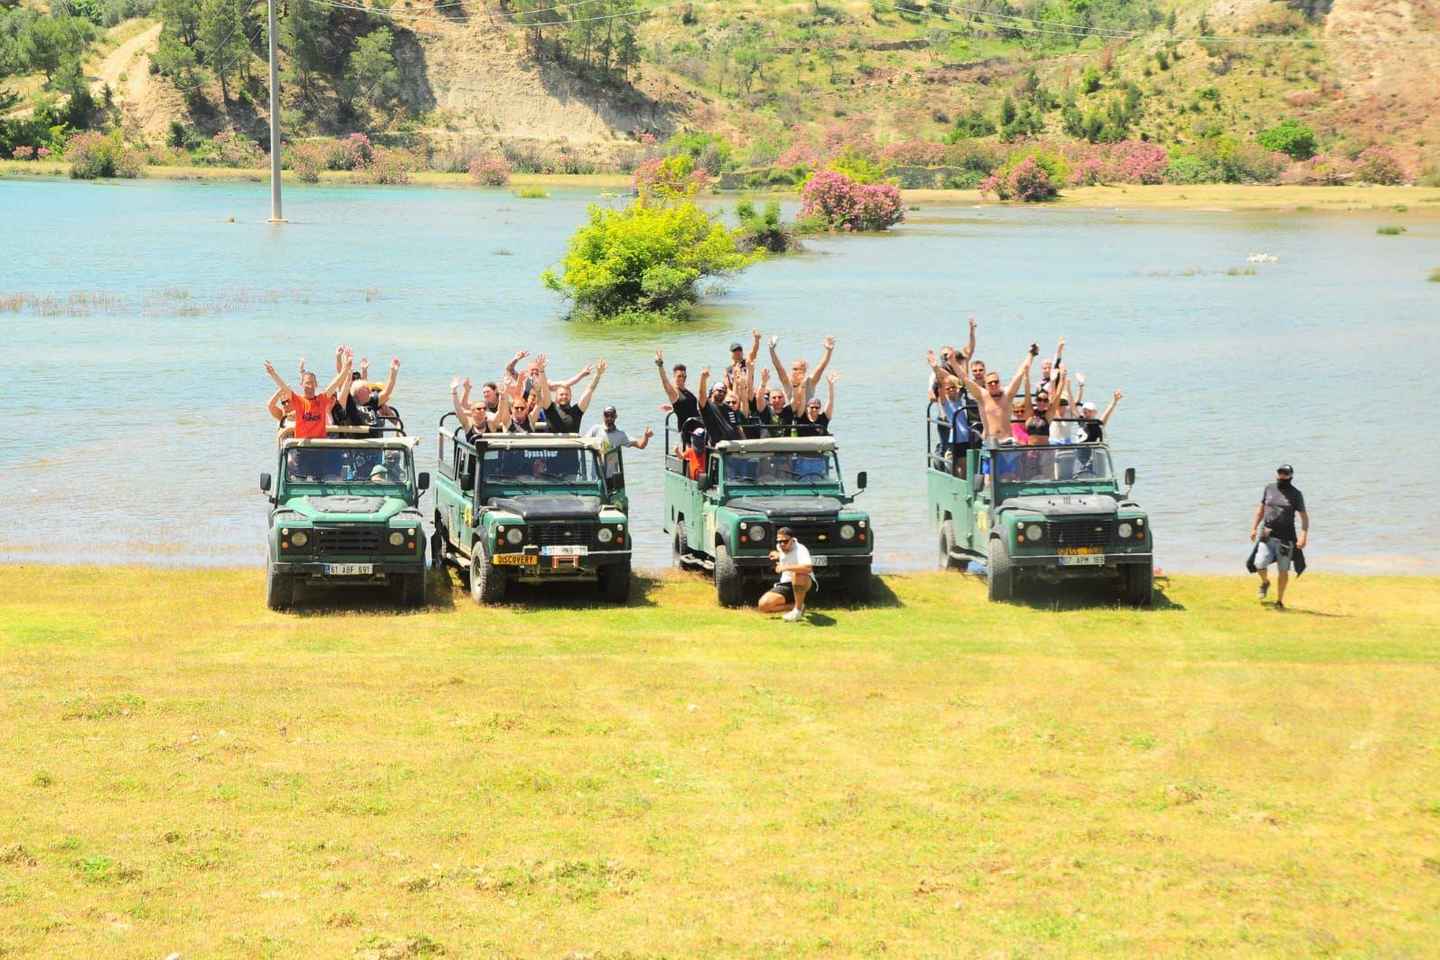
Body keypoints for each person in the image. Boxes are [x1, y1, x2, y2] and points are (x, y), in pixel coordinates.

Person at [1248, 464, 1309, 609]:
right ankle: (1265, 582)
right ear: (1276, 474)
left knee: (1283, 570)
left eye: (1286, 473)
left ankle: (1279, 601)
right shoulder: (1269, 488)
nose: (1282, 475)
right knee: (1259, 563)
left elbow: (1304, 517)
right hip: (1267, 535)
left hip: (1286, 539)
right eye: (1280, 473)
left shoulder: (1296, 494)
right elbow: (1261, 510)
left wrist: (1303, 536)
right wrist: (1254, 528)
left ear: (1291, 476)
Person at [264, 350, 352, 440]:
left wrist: (347, 366)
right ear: (301, 385)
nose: (310, 386)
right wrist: (273, 373)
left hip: (319, 445)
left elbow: (337, 383)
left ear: (316, 384)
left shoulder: (322, 399)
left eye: (312, 383)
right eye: (307, 383)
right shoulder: (298, 400)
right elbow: (283, 387)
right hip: (301, 446)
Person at [535, 356, 605, 434]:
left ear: (571, 396)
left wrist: (598, 375)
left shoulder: (577, 411)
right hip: (553, 445)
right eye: (561, 394)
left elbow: (590, 389)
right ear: (556, 396)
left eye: (566, 394)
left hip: (572, 445)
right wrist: (541, 371)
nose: (564, 397)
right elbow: (545, 389)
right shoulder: (550, 408)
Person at [758, 527, 814, 622]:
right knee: (763, 605)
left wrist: (785, 567)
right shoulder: (780, 546)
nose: (782, 544)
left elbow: (808, 568)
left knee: (798, 574)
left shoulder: (801, 549)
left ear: (792, 540)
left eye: (785, 541)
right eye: (779, 541)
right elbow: (784, 554)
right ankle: (795, 606)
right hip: (786, 584)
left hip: (804, 582)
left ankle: (797, 611)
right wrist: (778, 554)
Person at [585, 406, 653, 482]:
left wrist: (646, 436)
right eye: (607, 415)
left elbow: (640, 445)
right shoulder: (595, 429)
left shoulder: (620, 434)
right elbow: (583, 443)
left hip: (612, 478)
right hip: (596, 478)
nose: (609, 418)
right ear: (603, 416)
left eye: (612, 415)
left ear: (616, 417)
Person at [768, 334, 835, 408]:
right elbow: (778, 367)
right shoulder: (787, 382)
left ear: (804, 371)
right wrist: (772, 350)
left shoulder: (810, 381)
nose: (796, 372)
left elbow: (821, 367)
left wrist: (829, 351)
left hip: (806, 415)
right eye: (794, 369)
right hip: (791, 415)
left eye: (799, 370)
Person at [656, 350, 702, 445]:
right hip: (687, 431)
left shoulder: (687, 391)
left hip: (699, 428)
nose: (681, 378)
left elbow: (686, 406)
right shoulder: (674, 392)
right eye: (679, 376)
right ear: (674, 376)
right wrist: (660, 365)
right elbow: (664, 381)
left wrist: (673, 407)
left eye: (683, 376)